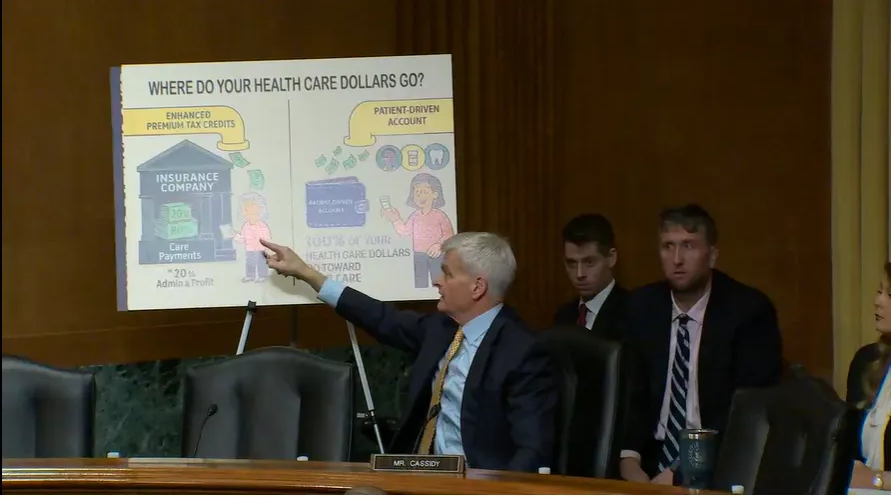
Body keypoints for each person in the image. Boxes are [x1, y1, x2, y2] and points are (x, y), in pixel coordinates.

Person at [259, 232, 557, 472]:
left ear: (477, 287)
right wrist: (307, 273)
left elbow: (532, 450)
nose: (436, 281)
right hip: (419, 474)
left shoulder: (522, 352)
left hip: (477, 486)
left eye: (447, 274)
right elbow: (379, 317)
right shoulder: (441, 329)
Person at [618, 204, 783, 484]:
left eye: (689, 246)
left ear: (712, 255)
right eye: (668, 246)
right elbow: (632, 395)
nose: (677, 259)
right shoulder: (641, 308)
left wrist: (677, 474)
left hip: (719, 458)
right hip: (651, 456)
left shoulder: (748, 312)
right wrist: (629, 460)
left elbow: (745, 414)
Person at [845, 262, 891, 491]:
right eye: (879, 291)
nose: (878, 301)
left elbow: (868, 478)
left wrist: (876, 480)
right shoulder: (867, 361)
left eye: (889, 295)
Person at [553, 213, 627, 341]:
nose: (579, 274)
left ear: (611, 258)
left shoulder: (632, 313)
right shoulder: (563, 316)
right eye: (572, 263)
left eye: (589, 262)